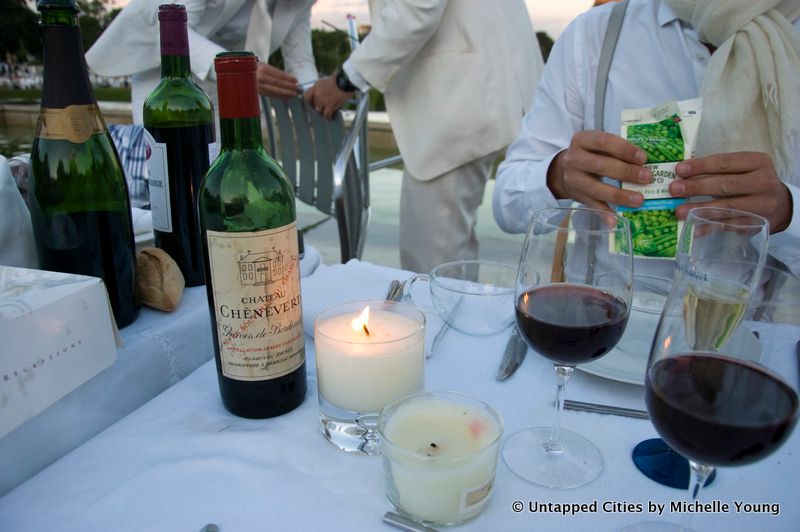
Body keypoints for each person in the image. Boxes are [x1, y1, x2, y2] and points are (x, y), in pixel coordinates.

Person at [493, 0, 800, 273]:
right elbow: (506, 201)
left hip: (750, 327)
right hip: (605, 317)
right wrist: (557, 176)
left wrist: (788, 210)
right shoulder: (598, 34)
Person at [303, 0, 544, 273]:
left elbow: (418, 7)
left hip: (461, 94)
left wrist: (345, 80)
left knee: (430, 267)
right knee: (453, 259)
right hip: (480, 85)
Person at [85, 0, 318, 124]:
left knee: (225, 176)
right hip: (163, 75)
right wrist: (238, 69)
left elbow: (300, 60)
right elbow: (171, 30)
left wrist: (315, 93)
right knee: (167, 171)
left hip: (226, 84)